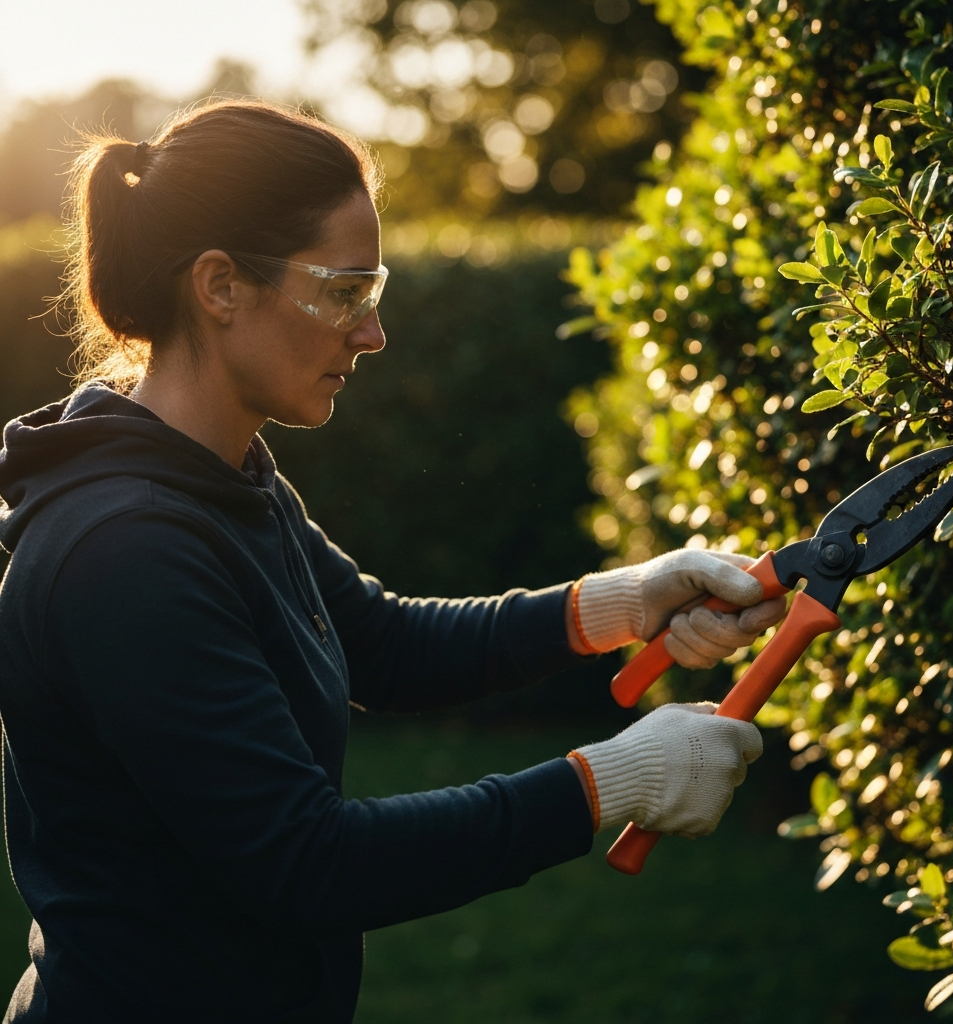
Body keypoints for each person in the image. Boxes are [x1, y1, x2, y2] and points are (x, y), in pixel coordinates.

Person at [0, 100, 786, 1023]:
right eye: (344, 292)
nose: (371, 334)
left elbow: (377, 640)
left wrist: (627, 601)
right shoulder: (125, 552)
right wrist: (615, 779)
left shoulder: (219, 476)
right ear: (219, 286)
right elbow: (309, 864)